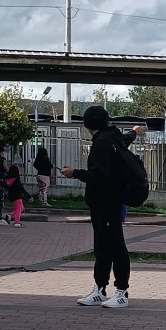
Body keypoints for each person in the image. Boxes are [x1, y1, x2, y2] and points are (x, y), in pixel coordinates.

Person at [61, 107, 141, 309]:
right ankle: (99, 289)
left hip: (106, 202)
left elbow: (100, 176)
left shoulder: (102, 143)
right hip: (106, 203)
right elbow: (126, 140)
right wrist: (135, 132)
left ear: (87, 125)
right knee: (102, 248)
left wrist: (74, 173)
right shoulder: (112, 137)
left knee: (115, 246)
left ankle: (121, 293)